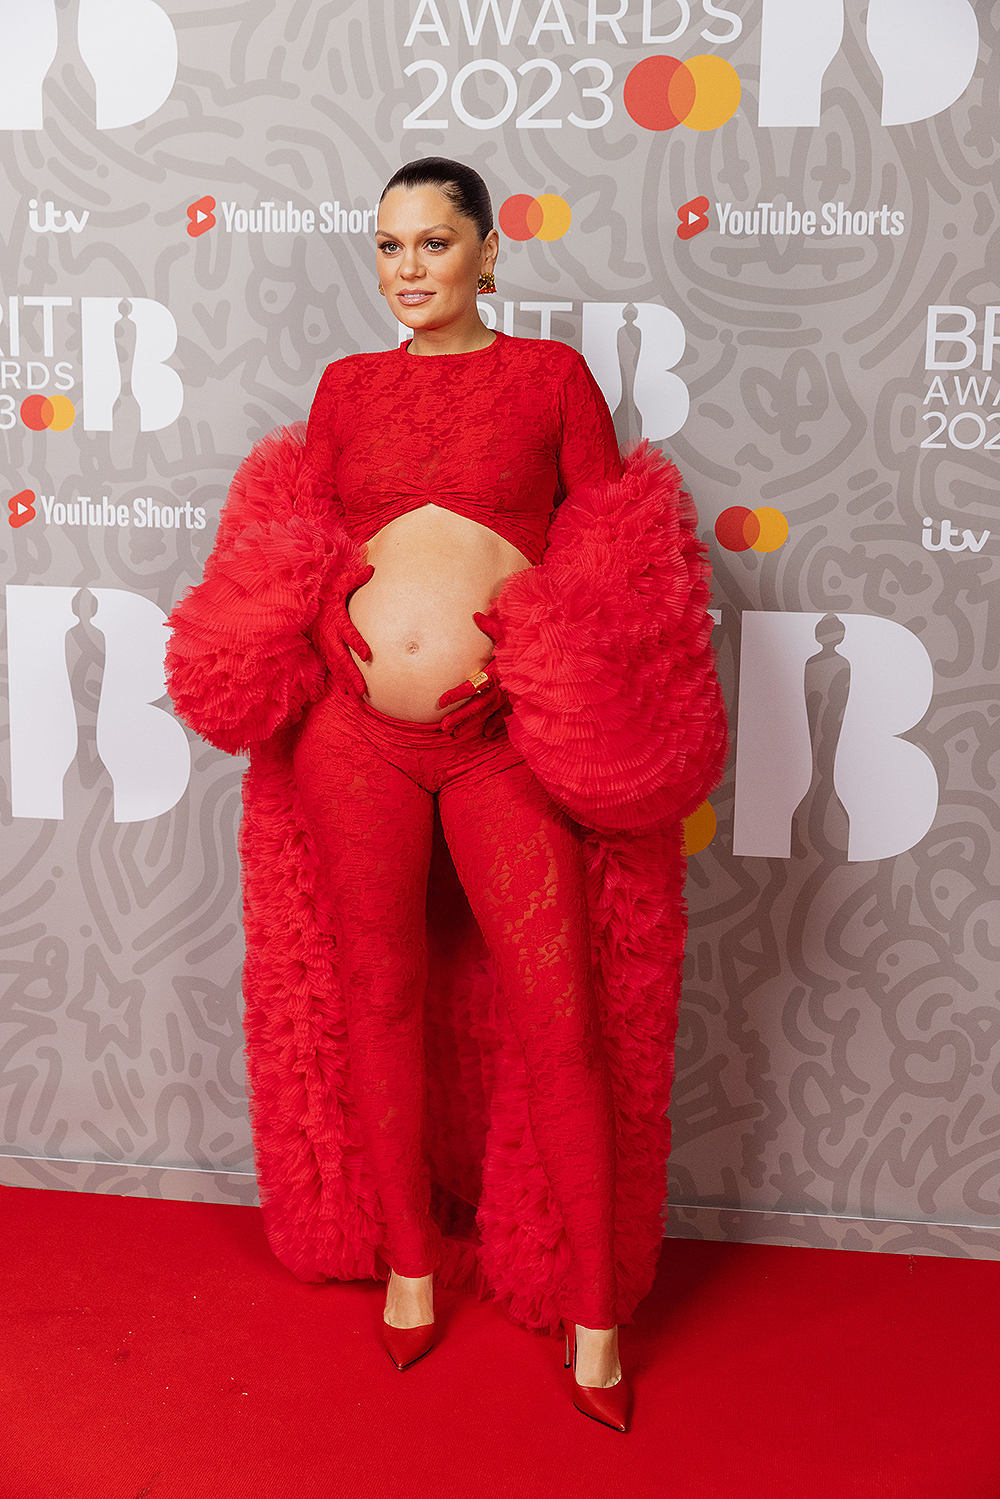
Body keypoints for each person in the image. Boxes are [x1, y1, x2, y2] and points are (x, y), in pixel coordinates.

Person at [165, 156, 729, 1434]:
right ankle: (412, 1261)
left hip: (497, 741)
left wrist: (537, 655)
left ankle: (595, 1314)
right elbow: (299, 537)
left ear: (488, 251)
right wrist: (313, 603)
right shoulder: (345, 390)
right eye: (386, 247)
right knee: (378, 991)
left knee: (558, 1012)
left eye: (431, 243)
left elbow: (618, 557)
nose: (405, 269)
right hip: (353, 737)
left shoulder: (551, 380)